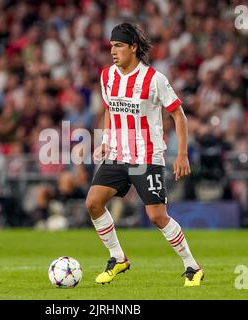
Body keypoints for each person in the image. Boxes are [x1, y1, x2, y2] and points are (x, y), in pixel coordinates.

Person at [85, 23, 203, 287]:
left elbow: (179, 115)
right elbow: (109, 109)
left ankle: (192, 266)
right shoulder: (107, 76)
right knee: (93, 203)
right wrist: (105, 140)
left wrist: (182, 154)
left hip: (146, 156)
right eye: (111, 46)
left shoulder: (154, 79)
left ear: (133, 47)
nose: (113, 52)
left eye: (119, 46)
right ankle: (118, 258)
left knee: (156, 216)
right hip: (117, 154)